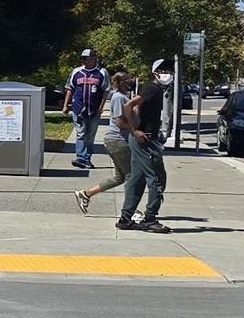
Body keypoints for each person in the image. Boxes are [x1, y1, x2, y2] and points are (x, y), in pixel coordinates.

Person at [113, 60, 172, 233]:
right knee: (157, 179)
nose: (166, 74)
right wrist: (135, 130)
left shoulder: (156, 90)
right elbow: (128, 106)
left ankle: (125, 218)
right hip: (145, 140)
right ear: (154, 73)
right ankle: (150, 219)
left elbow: (137, 109)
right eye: (162, 70)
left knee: (137, 179)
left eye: (169, 70)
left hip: (145, 139)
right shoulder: (152, 88)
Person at [74, 71, 134, 213]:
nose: (131, 81)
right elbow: (120, 122)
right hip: (118, 141)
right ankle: (130, 210)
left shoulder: (123, 96)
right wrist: (136, 129)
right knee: (131, 176)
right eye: (128, 79)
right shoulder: (119, 97)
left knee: (120, 177)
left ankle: (86, 194)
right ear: (120, 82)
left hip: (116, 140)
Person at [65, 49, 109, 169]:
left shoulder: (102, 72)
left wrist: (101, 107)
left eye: (87, 58)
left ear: (94, 59)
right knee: (80, 133)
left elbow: (105, 91)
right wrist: (66, 105)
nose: (85, 61)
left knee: (90, 135)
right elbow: (70, 88)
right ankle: (80, 157)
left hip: (94, 109)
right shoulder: (76, 72)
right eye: (83, 58)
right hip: (78, 108)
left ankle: (87, 158)